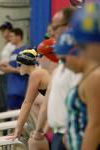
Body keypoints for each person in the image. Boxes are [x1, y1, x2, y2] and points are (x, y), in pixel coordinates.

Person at [29, 7, 81, 150]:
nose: (51, 32)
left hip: (71, 134)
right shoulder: (60, 69)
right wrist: (40, 131)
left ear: (69, 27)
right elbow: (48, 103)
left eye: (55, 27)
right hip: (60, 135)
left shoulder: (83, 67)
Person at [54, 27, 100, 149]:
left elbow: (96, 126)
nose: (64, 65)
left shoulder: (95, 77)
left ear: (77, 52)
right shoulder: (87, 75)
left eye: (64, 60)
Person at [7, 49, 56, 150]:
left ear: (26, 64)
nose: (18, 67)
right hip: (53, 123)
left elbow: (27, 103)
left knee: (33, 142)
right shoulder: (41, 73)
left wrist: (18, 130)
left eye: (19, 64)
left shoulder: (37, 74)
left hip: (54, 125)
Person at [0, 28, 29, 110]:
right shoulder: (13, 52)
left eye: (12, 36)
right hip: (11, 90)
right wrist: (4, 66)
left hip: (20, 90)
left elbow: (27, 70)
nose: (10, 38)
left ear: (18, 37)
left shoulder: (25, 50)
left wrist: (10, 69)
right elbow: (12, 67)